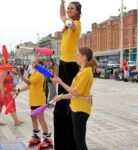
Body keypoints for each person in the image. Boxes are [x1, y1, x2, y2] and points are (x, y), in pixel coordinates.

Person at [51, 47, 97, 150]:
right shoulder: (82, 71)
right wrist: (61, 97)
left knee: (80, 143)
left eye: (77, 55)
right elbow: (74, 93)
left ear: (84, 57)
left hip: (80, 110)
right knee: (76, 141)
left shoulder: (86, 73)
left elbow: (75, 92)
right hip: (75, 108)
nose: (76, 57)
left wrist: (61, 82)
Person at [54, 1, 82, 150]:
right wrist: (62, 4)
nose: (69, 10)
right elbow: (62, 15)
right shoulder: (68, 19)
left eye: (72, 8)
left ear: (77, 11)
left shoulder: (76, 24)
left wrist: (68, 22)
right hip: (63, 62)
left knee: (69, 94)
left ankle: (69, 115)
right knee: (61, 94)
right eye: (69, 8)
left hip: (71, 64)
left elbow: (71, 24)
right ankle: (61, 108)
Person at [13, 59, 53, 149]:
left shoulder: (39, 74)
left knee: (41, 119)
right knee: (33, 118)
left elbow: (29, 82)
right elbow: (30, 86)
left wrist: (19, 75)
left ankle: (47, 140)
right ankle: (36, 138)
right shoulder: (34, 73)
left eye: (35, 62)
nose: (33, 63)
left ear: (40, 65)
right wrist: (20, 91)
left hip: (39, 100)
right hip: (33, 100)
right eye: (33, 62)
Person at [0, 58, 23, 126]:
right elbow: (1, 83)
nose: (9, 64)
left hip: (5, 91)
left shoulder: (5, 71)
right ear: (4, 64)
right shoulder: (3, 71)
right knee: (11, 104)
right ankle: (16, 120)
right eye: (8, 62)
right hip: (5, 92)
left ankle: (16, 120)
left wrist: (12, 89)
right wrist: (3, 92)